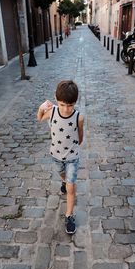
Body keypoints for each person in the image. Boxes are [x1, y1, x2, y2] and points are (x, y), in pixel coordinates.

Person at [37, 80, 84, 234]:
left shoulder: (79, 117)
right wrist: (41, 108)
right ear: (56, 99)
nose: (66, 109)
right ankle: (63, 181)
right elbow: (39, 118)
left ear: (75, 102)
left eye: (70, 105)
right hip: (56, 154)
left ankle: (69, 215)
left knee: (71, 186)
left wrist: (76, 146)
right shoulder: (52, 112)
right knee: (61, 174)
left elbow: (80, 135)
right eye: (63, 104)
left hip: (72, 156)